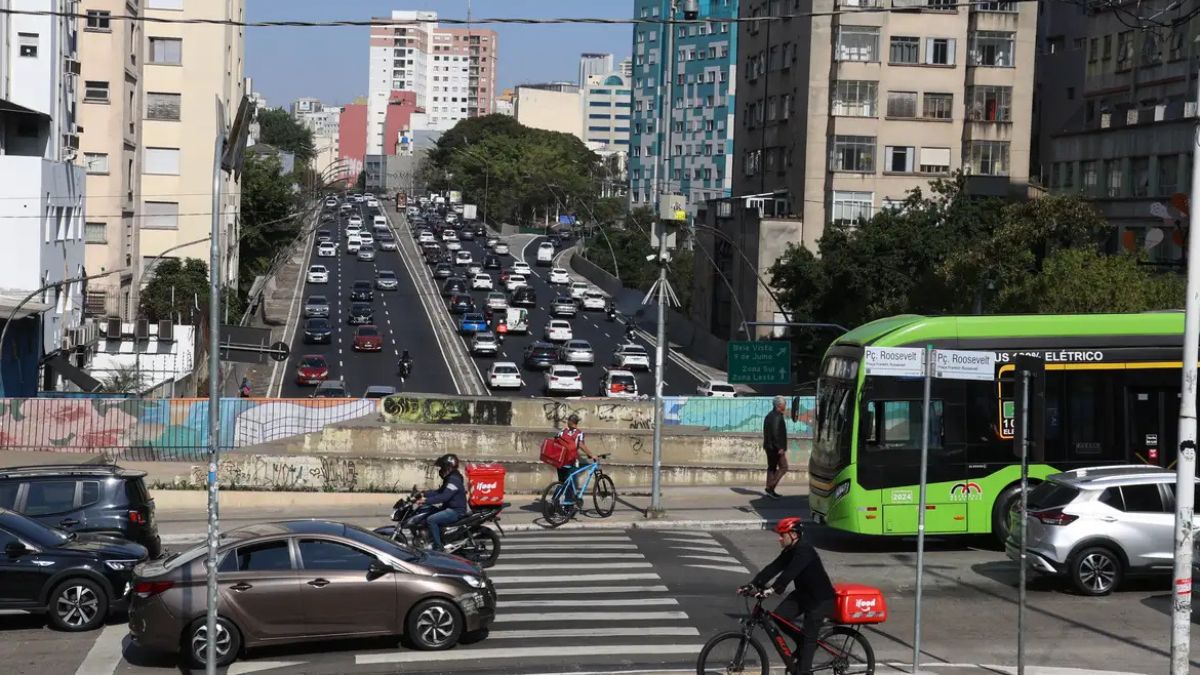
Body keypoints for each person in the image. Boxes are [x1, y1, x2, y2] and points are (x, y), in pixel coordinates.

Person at [742, 517, 835, 675]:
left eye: (782, 534)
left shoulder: (804, 550)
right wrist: (753, 584)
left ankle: (804, 668)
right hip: (803, 594)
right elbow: (774, 567)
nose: (779, 538)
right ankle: (801, 641)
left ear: (793, 534)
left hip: (820, 599)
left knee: (809, 641)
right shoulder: (790, 550)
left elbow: (789, 573)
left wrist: (771, 590)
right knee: (779, 616)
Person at [416, 454, 467, 551]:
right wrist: (423, 493)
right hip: (449, 508)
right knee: (428, 511)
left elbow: (444, 496)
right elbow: (439, 492)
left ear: (449, 467)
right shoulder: (450, 478)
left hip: (456, 511)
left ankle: (438, 547)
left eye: (443, 467)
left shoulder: (454, 480)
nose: (441, 470)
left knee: (431, 520)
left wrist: (425, 500)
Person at [556, 413, 595, 499]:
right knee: (570, 484)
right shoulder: (579, 433)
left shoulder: (562, 431)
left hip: (560, 462)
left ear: (569, 422)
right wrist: (591, 455)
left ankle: (554, 502)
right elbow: (581, 445)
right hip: (571, 462)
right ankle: (567, 506)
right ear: (576, 423)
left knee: (561, 483)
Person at [762, 395, 789, 499]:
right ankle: (770, 487)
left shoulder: (770, 415)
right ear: (779, 405)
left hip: (769, 447)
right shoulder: (777, 416)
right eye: (784, 405)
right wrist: (780, 448)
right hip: (775, 448)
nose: (785, 407)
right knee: (784, 467)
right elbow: (775, 433)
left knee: (772, 468)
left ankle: (770, 490)